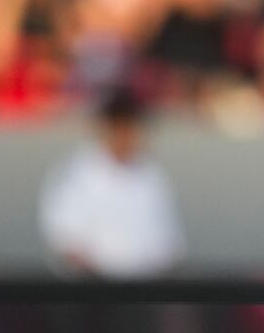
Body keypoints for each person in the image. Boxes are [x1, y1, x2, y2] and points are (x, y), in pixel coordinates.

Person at [39, 86, 185, 278]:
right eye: (122, 127)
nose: (130, 135)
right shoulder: (76, 173)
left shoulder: (151, 175)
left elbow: (169, 245)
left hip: (148, 290)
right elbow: (66, 242)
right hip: (92, 293)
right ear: (107, 128)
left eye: (134, 127)